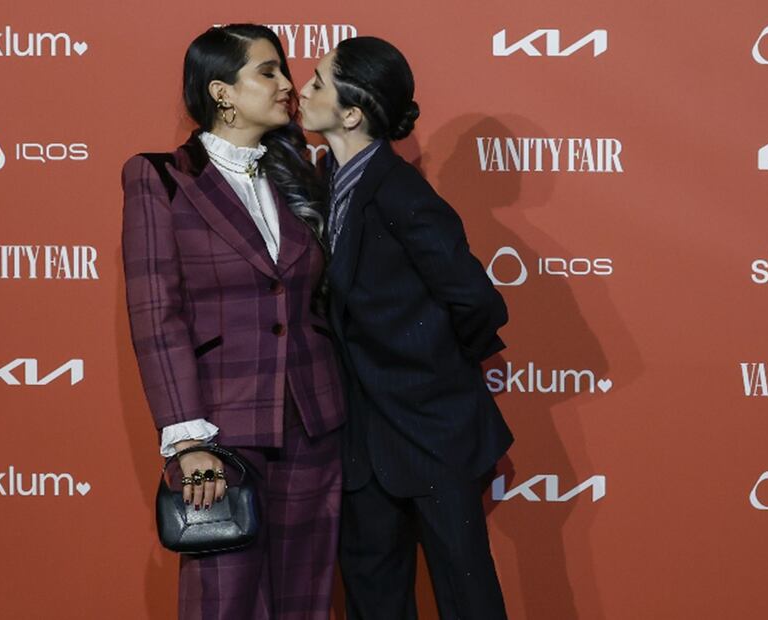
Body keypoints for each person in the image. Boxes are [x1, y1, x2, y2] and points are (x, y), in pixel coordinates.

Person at [121, 24, 345, 620]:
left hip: (312, 424)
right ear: (221, 91)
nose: (287, 85)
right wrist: (188, 439)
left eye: (284, 70)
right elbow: (155, 314)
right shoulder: (161, 178)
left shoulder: (302, 176)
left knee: (306, 599)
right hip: (220, 429)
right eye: (267, 71)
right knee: (223, 603)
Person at [298, 36, 513, 619]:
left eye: (317, 82)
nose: (302, 89)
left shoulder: (402, 193)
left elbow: (478, 304)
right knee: (373, 601)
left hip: (432, 434)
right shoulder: (321, 185)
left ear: (350, 112)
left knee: (467, 599)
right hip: (362, 445)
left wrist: (429, 375)